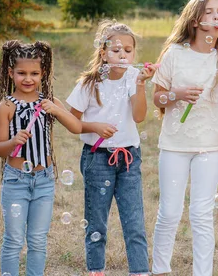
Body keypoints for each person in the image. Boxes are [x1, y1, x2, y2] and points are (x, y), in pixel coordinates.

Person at [151, 0, 218, 276]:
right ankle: (160, 270)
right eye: (211, 12)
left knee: (201, 214)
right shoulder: (175, 53)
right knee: (169, 212)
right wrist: (176, 94)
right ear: (195, 20)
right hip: (175, 143)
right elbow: (158, 98)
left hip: (210, 145)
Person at [66, 20, 156, 276]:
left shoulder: (132, 78)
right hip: (98, 158)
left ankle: (139, 271)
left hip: (129, 158)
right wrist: (94, 126)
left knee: (134, 221)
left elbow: (139, 117)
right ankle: (96, 269)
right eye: (116, 50)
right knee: (96, 222)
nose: (123, 55)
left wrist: (140, 85)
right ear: (103, 52)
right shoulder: (89, 83)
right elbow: (72, 121)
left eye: (128, 50)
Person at [0, 40, 81, 276]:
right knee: (13, 239)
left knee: (38, 240)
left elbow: (76, 127)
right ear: (11, 73)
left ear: (43, 73)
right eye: (21, 73)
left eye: (34, 73)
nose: (28, 78)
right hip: (16, 180)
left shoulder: (48, 102)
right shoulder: (6, 106)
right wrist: (13, 142)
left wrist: (57, 110)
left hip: (44, 180)